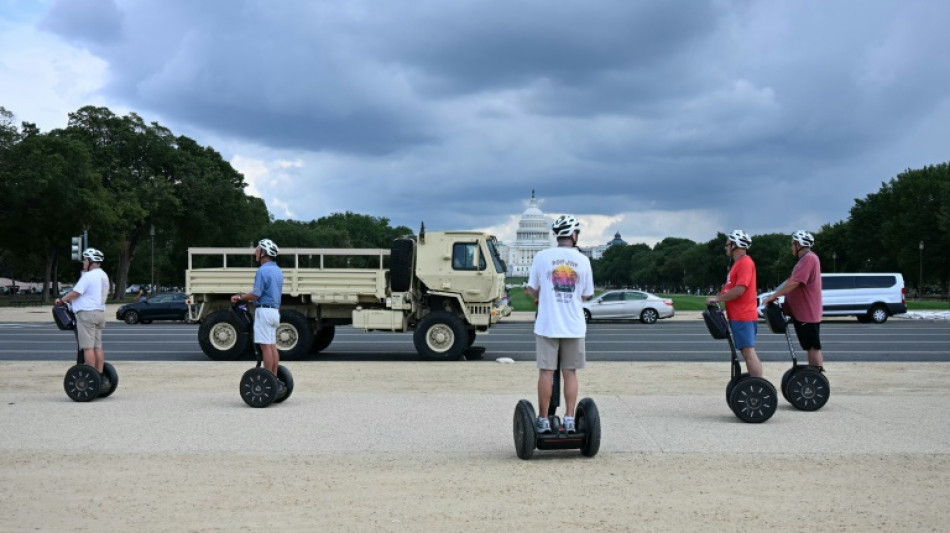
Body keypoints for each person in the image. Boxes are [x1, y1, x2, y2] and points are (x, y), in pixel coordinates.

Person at [524, 215, 595, 433]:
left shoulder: (542, 256)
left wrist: (539, 296)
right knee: (570, 373)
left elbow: (532, 289)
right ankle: (570, 418)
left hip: (548, 324)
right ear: (574, 235)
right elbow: (587, 295)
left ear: (557, 235)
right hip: (573, 326)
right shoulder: (583, 260)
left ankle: (544, 419)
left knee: (546, 373)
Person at [763, 230, 824, 371]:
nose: (791, 247)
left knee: (812, 346)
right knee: (810, 346)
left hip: (807, 312)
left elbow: (795, 282)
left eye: (792, 244)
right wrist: (776, 293)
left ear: (799, 245)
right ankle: (814, 373)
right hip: (803, 312)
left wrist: (773, 296)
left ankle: (817, 375)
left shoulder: (809, 259)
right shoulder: (804, 260)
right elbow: (790, 281)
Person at [706, 230, 763, 378]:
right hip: (738, 315)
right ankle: (756, 382)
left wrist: (718, 299)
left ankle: (758, 384)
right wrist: (719, 297)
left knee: (748, 351)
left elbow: (739, 290)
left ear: (734, 245)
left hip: (743, 315)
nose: (725, 248)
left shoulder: (745, 263)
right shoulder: (737, 264)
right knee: (746, 351)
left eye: (727, 245)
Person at [231, 239, 284, 385]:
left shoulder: (262, 270)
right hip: (274, 312)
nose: (255, 251)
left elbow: (256, 294)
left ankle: (268, 381)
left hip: (264, 312)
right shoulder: (277, 270)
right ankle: (273, 378)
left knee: (265, 346)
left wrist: (240, 297)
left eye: (257, 249)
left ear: (263, 253)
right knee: (272, 345)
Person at [56, 248, 111, 387]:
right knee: (97, 346)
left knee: (87, 348)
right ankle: (99, 376)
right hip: (99, 313)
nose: (83, 262)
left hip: (87, 314)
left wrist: (62, 300)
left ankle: (90, 376)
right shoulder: (104, 275)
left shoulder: (88, 276)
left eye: (85, 260)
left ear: (90, 261)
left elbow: (75, 293)